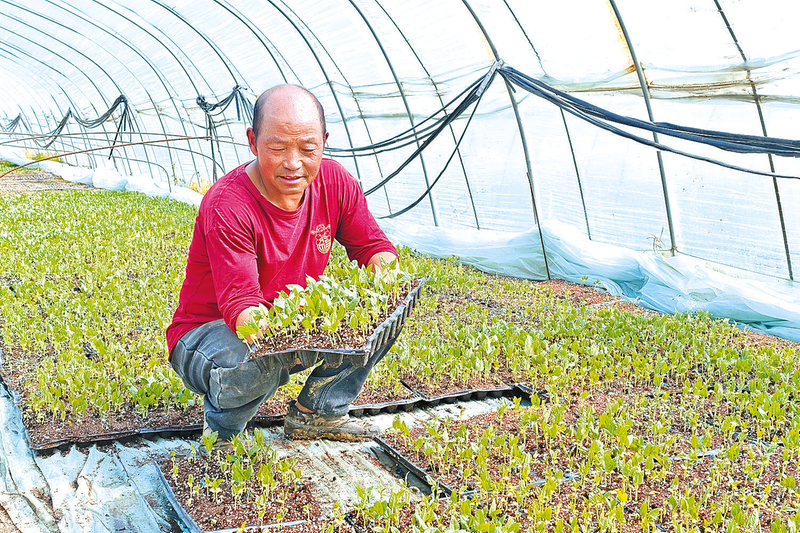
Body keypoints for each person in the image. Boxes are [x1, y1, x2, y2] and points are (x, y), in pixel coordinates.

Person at [166, 84, 399, 445]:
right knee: (258, 358)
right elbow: (243, 310)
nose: (293, 163)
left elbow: (372, 247)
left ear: (323, 141)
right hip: (208, 335)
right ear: (253, 142)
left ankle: (318, 413)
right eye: (277, 148)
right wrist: (306, 335)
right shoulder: (228, 205)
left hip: (284, 325)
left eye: (308, 149)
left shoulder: (335, 182)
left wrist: (386, 284)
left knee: (383, 313)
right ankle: (221, 438)